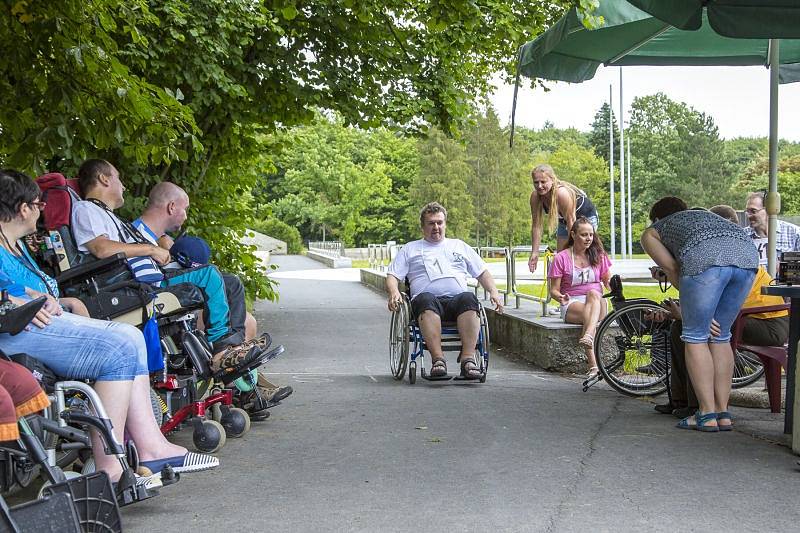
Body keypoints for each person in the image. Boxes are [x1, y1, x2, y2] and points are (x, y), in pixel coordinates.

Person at [0, 169, 219, 482]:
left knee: (130, 337)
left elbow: (41, 291)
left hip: (44, 322)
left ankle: (149, 448)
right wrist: (20, 300)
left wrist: (61, 301)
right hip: (17, 330)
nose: (43, 211)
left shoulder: (16, 246)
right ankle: (113, 468)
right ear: (23, 208)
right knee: (120, 343)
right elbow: (10, 296)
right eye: (39, 205)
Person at [70, 159, 257, 371]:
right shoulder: (86, 209)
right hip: (135, 287)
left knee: (230, 282)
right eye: (118, 179)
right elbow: (101, 248)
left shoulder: (108, 216)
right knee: (209, 275)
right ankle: (222, 350)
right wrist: (150, 249)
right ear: (104, 179)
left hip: (151, 279)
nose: (123, 186)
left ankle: (234, 347)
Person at [133, 184, 292, 404]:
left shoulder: (160, 238)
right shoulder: (136, 235)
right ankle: (230, 362)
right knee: (215, 281)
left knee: (235, 290)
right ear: (171, 207)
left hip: (176, 299)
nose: (186, 215)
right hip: (157, 299)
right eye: (185, 209)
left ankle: (238, 362)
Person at [654, 204, 790, 419]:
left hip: (766, 323)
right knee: (716, 337)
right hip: (757, 306)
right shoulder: (730, 245)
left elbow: (675, 271)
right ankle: (715, 410)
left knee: (693, 334)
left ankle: (703, 410)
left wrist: (690, 313)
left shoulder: (659, 233)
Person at [641, 197, 758, 432]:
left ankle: (705, 414)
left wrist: (692, 305)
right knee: (721, 335)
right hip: (747, 257)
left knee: (695, 336)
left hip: (705, 260)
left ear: (656, 219)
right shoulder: (704, 217)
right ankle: (722, 413)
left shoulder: (652, 232)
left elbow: (673, 268)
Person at [386, 202, 503, 379]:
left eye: (439, 222)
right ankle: (438, 360)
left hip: (457, 302)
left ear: (445, 224)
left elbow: (482, 272)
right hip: (427, 302)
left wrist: (493, 291)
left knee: (469, 299)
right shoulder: (410, 249)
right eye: (431, 223)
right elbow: (393, 275)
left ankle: (468, 360)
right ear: (422, 226)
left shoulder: (459, 246)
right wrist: (394, 292)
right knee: (426, 299)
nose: (436, 227)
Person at [548, 217, 612, 379]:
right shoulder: (561, 258)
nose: (588, 238)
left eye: (591, 234)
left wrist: (615, 284)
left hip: (597, 301)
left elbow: (607, 281)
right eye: (584, 235)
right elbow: (553, 290)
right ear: (573, 235)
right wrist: (560, 297)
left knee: (593, 293)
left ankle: (589, 339)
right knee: (589, 314)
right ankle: (593, 363)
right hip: (573, 303)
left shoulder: (599, 255)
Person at [528, 164, 599, 272]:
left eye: (543, 182)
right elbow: (536, 226)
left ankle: (591, 279)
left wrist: (574, 252)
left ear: (552, 180)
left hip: (585, 218)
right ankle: (562, 287)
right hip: (564, 221)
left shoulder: (561, 194)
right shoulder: (535, 197)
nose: (539, 186)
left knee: (579, 255)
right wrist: (535, 252)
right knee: (560, 258)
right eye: (536, 182)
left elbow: (572, 223)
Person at [743, 190, 800, 266]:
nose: (748, 215)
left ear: (768, 210)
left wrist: (785, 267)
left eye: (753, 211)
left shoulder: (793, 233)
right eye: (747, 211)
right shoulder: (742, 236)